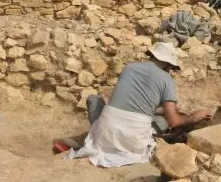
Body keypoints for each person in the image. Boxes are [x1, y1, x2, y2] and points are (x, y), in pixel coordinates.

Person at [66, 42, 212, 167]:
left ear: (152, 56)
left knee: (93, 99)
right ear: (167, 64)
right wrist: (193, 117)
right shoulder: (167, 80)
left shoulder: (129, 67)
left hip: (104, 135)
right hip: (133, 142)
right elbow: (174, 121)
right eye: (171, 68)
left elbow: (132, 101)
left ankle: (96, 141)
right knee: (162, 121)